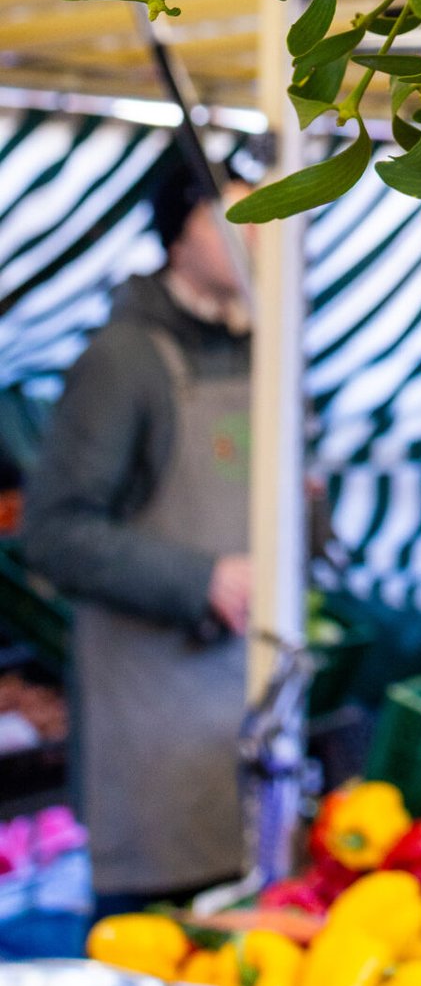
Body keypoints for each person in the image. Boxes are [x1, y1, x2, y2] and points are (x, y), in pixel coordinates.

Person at [24, 156, 252, 910]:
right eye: (230, 220)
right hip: (152, 705)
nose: (257, 236)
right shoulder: (122, 361)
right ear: (176, 238)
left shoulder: (263, 350)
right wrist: (203, 581)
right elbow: (54, 534)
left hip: (245, 706)